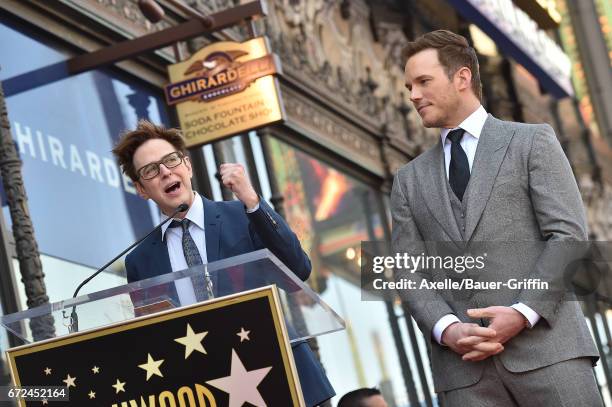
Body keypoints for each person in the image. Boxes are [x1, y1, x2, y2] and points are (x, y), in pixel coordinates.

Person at [391, 30, 601, 406]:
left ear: (462, 77)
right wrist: (448, 329)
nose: (413, 95)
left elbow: (568, 235)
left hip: (550, 355)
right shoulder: (408, 180)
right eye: (409, 85)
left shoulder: (532, 142)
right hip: (465, 375)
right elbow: (407, 269)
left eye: (423, 81)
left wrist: (523, 313)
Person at [112, 120, 334, 407]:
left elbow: (298, 270)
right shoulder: (140, 260)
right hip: (207, 389)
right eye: (151, 170)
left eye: (170, 161)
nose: (165, 172)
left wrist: (252, 201)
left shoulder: (243, 215)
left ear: (188, 166)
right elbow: (155, 338)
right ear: (141, 189)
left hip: (279, 375)